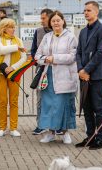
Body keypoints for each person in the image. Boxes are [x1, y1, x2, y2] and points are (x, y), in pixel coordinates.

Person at [35, 10, 78, 144]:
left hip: (64, 76)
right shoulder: (47, 37)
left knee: (63, 105)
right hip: (48, 76)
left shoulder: (71, 37)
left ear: (63, 21)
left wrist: (54, 58)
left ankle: (65, 133)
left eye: (58, 20)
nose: (55, 23)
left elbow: (72, 56)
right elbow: (37, 55)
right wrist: (45, 59)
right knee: (48, 105)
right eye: (53, 21)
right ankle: (50, 133)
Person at [76, 1, 102, 150]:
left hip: (97, 76)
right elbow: (79, 53)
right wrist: (80, 70)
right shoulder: (83, 32)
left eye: (88, 10)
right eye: (84, 10)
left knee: (98, 108)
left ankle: (101, 139)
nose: (86, 13)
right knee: (87, 108)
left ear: (96, 12)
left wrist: (86, 70)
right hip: (84, 76)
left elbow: (100, 53)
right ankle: (90, 137)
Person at [0, 18, 27, 137]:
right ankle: (2, 128)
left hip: (14, 74)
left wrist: (12, 67)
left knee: (14, 101)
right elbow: (1, 50)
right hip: (0, 74)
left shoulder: (18, 40)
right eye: (11, 27)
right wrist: (16, 47)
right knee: (2, 101)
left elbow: (24, 58)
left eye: (14, 27)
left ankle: (13, 128)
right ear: (4, 28)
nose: (13, 29)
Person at [30, 8, 53, 135]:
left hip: (55, 70)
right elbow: (33, 50)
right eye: (41, 18)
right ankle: (40, 124)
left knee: (54, 98)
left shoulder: (58, 32)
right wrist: (39, 61)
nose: (41, 21)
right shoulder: (38, 32)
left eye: (43, 18)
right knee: (40, 98)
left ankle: (54, 125)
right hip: (41, 70)